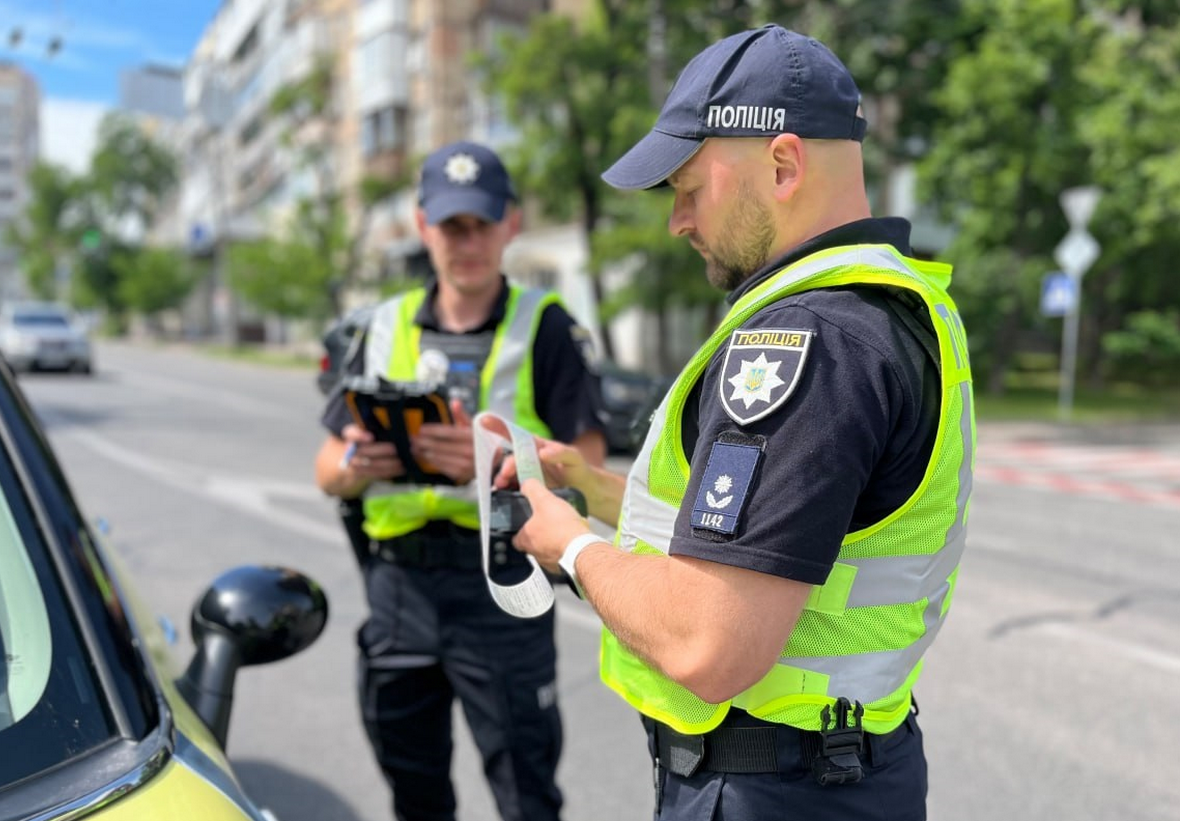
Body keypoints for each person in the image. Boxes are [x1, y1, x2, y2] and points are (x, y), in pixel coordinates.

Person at [494, 24, 975, 821]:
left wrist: (566, 543)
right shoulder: (883, 304)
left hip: (772, 789)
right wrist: (592, 488)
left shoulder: (807, 340)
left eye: (689, 187)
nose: (677, 220)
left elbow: (709, 644)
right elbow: (786, 530)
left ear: (783, 164)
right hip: (836, 775)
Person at [314, 139, 608, 821]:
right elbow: (327, 468)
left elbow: (588, 472)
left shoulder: (546, 326)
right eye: (452, 226)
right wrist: (359, 463)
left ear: (511, 223)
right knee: (415, 795)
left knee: (527, 794)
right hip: (398, 587)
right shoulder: (380, 326)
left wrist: (483, 463)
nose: (467, 242)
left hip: (502, 583)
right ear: (424, 226)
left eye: (482, 223)